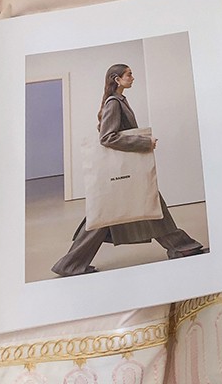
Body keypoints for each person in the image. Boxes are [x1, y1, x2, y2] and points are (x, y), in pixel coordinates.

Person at [52, 63, 206, 276]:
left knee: (143, 207)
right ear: (117, 79)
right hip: (124, 173)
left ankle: (181, 246)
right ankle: (69, 264)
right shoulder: (113, 103)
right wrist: (144, 142)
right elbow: (107, 137)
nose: (132, 77)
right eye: (129, 74)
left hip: (126, 173)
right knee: (106, 218)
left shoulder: (119, 100)